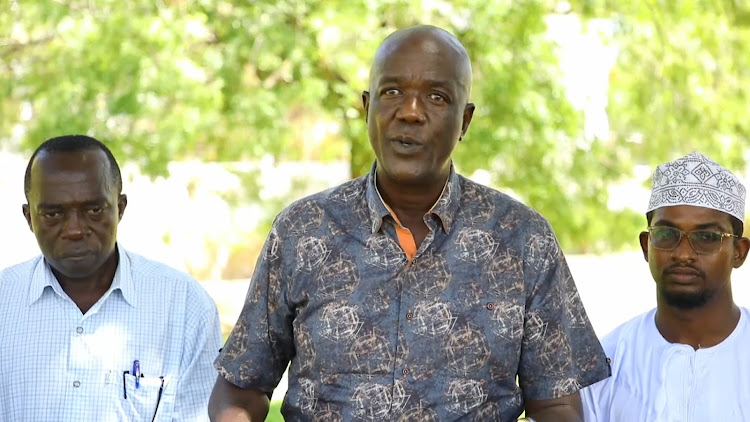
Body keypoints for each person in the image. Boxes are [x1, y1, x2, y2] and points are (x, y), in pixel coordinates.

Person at [209, 25, 609, 422]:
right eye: (392, 92)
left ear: (464, 121)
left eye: (436, 97)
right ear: (367, 108)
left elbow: (556, 404)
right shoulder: (302, 230)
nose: (411, 112)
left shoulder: (523, 240)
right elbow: (242, 387)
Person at [0, 135, 222, 421]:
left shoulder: (184, 306)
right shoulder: (4, 301)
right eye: (53, 214)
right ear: (29, 218)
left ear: (120, 208)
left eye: (94, 210)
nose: (75, 230)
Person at [581, 151, 750, 420]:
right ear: (646, 246)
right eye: (666, 234)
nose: (683, 254)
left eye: (707, 237)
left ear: (739, 252)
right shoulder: (606, 362)